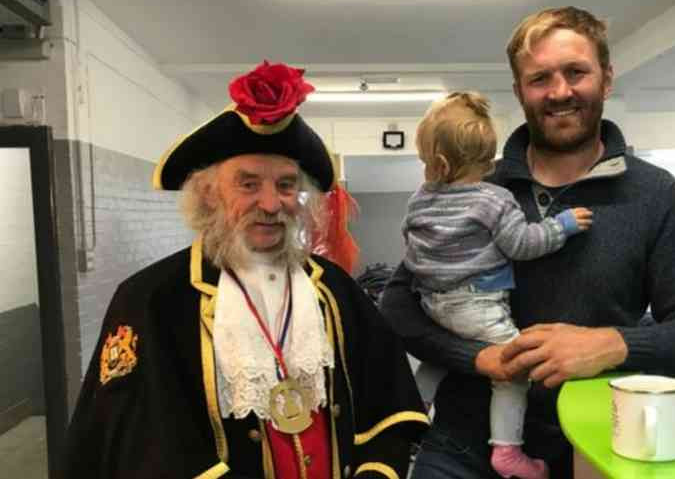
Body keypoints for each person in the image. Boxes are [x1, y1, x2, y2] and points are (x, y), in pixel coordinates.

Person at [381, 6, 675, 478]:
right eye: (540, 78)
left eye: (576, 72)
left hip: (590, 451)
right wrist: (479, 358)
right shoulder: (477, 187)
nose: (560, 91)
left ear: (605, 79)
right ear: (520, 91)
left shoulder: (653, 193)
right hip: (458, 451)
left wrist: (611, 344)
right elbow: (399, 304)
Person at [63, 61, 429, 479]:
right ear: (208, 194)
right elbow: (143, 442)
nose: (272, 204)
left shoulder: (336, 290)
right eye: (248, 184)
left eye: (287, 185)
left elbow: (388, 405)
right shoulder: (152, 300)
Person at [402, 91, 592, 479]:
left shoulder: (420, 198)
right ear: (487, 159)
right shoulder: (494, 199)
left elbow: (411, 244)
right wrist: (563, 226)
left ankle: (410, 416)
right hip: (477, 303)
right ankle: (507, 449)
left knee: (438, 356)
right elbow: (522, 244)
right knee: (511, 370)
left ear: (435, 162)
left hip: (431, 300)